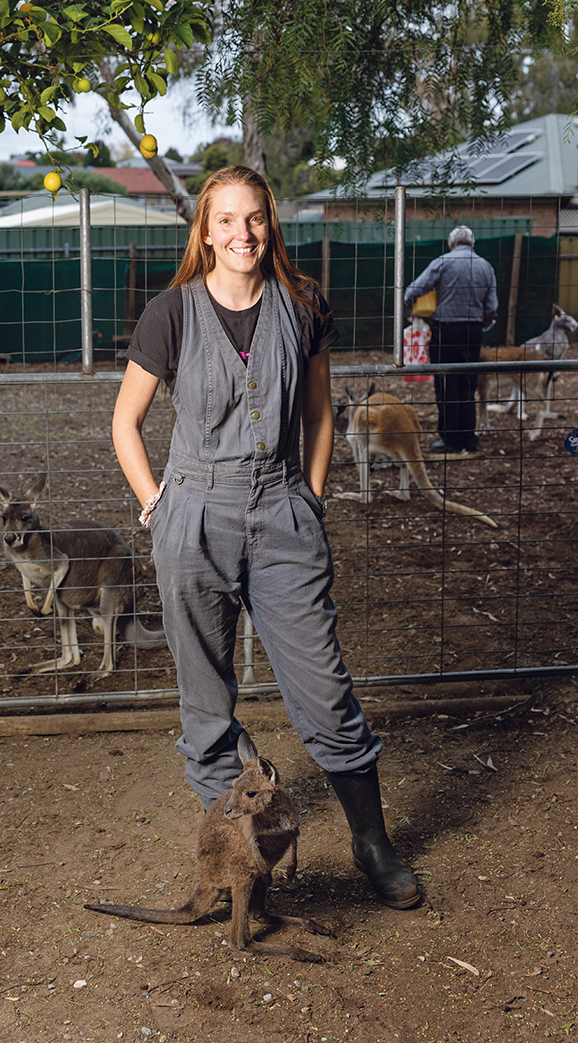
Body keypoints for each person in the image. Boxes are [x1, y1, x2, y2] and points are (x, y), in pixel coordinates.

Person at [112, 165, 419, 910]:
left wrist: (309, 498)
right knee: (206, 705)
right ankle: (240, 860)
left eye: (253, 218)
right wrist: (159, 506)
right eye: (225, 220)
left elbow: (318, 415)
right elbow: (125, 423)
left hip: (282, 509)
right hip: (194, 516)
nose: (241, 233)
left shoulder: (303, 304)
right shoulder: (170, 313)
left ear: (268, 224)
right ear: (205, 230)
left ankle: (371, 842)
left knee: (325, 693)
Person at [404, 225, 498, 454]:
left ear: (450, 244)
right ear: (472, 243)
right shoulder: (486, 266)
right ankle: (469, 438)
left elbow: (412, 290)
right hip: (472, 333)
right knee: (468, 385)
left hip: (445, 331)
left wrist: (411, 311)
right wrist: (481, 324)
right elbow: (492, 307)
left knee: (446, 385)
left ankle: (450, 439)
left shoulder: (442, 262)